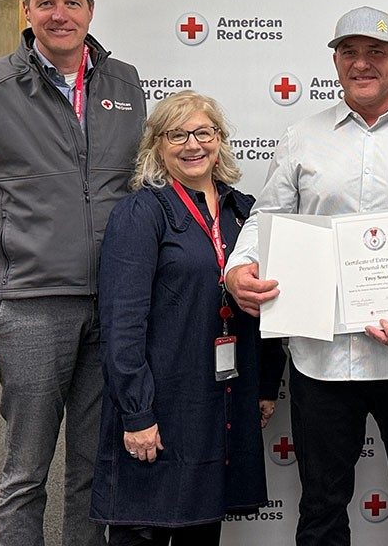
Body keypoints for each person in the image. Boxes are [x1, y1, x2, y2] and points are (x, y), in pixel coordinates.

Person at [224, 6, 388, 545]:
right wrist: (238, 266)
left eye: (376, 52)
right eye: (349, 53)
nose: (362, 64)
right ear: (335, 61)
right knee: (319, 510)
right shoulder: (299, 138)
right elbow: (268, 218)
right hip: (321, 358)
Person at [0, 0, 146, 546]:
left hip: (114, 305)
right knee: (25, 472)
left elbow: (139, 191)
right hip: (30, 307)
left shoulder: (126, 83)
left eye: (72, 2)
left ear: (90, 9)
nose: (59, 14)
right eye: (45, 3)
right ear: (26, 11)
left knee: (93, 472)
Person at [91, 90, 285, 546]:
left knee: (202, 530)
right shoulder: (141, 212)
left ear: (221, 139)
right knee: (144, 530)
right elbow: (121, 323)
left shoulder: (244, 212)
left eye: (204, 132)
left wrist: (263, 385)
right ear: (157, 145)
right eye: (177, 135)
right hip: (159, 403)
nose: (192, 144)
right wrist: (136, 413)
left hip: (220, 402)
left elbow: (267, 303)